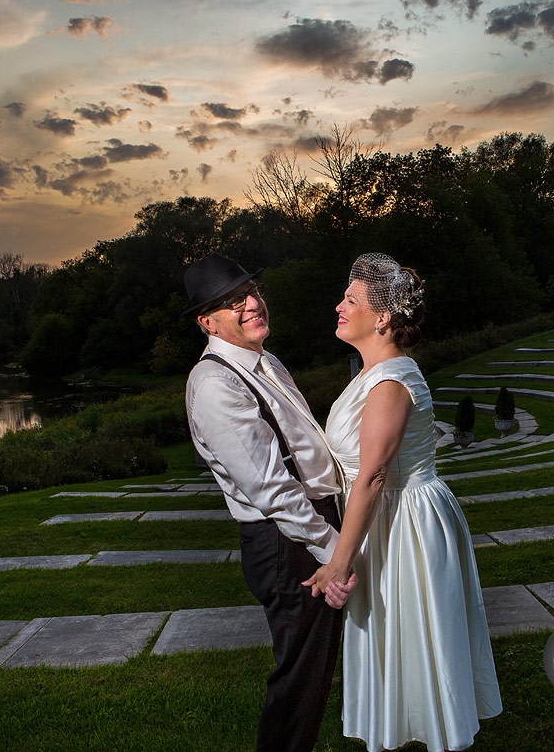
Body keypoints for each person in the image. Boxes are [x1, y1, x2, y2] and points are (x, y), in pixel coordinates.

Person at [304, 253, 502, 752]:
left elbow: (371, 475)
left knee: (412, 637)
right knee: (395, 640)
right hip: (388, 516)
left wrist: (338, 564)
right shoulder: (378, 373)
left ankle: (431, 730)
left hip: (404, 522)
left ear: (384, 317)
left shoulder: (391, 381)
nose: (339, 306)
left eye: (351, 299)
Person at [183, 253, 356, 752]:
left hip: (313, 523)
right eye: (232, 302)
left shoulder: (267, 362)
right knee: (300, 679)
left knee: (315, 671)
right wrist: (334, 552)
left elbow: (305, 447)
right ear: (207, 322)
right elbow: (272, 491)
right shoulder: (215, 385)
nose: (252, 304)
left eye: (253, 292)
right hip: (287, 541)